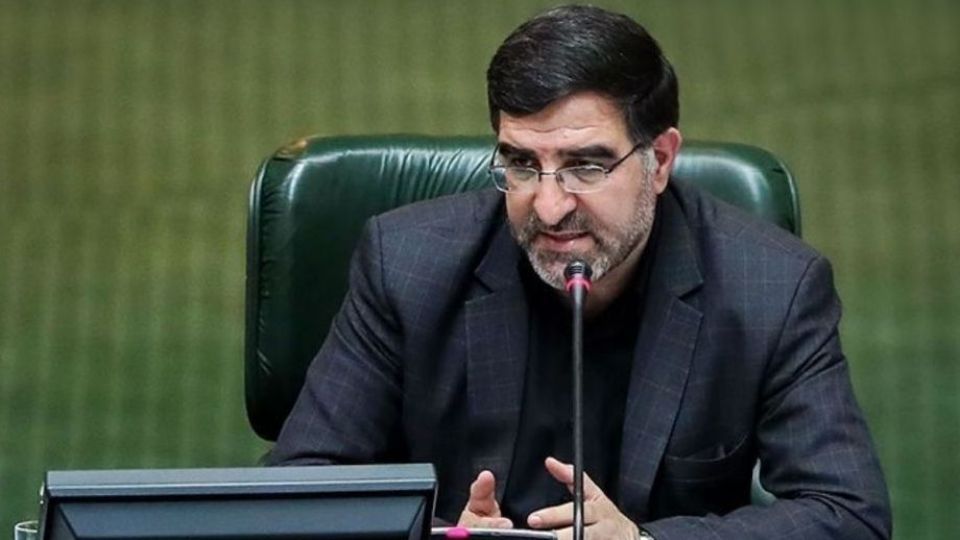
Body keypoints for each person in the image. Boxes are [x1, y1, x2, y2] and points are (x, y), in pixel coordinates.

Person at [268, 5, 891, 539]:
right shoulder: (405, 264)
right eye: (521, 164)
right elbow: (300, 487)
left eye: (586, 167)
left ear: (660, 160)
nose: (548, 206)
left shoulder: (772, 289)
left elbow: (848, 515)